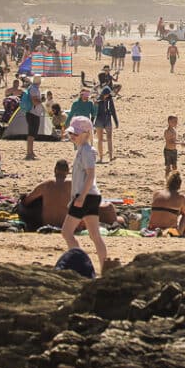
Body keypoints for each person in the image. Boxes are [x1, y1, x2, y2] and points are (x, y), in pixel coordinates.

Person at [61, 116, 107, 274]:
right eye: (71, 134)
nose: (72, 136)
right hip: (90, 195)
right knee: (95, 235)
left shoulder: (86, 150)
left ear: (86, 133)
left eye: (76, 134)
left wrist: (80, 197)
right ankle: (103, 269)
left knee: (66, 232)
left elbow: (90, 174)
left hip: (86, 196)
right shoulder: (83, 150)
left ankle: (81, 266)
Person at [19, 159, 72, 231]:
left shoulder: (46, 184)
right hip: (66, 225)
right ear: (68, 171)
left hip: (47, 224)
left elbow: (27, 201)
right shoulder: (72, 185)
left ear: (55, 170)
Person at [94, 86, 118, 163]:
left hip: (107, 119)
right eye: (106, 94)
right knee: (100, 139)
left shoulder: (110, 100)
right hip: (99, 120)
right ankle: (100, 157)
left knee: (109, 138)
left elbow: (113, 110)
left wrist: (116, 121)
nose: (107, 95)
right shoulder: (98, 100)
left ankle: (111, 156)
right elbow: (94, 112)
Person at [24, 75, 44, 161]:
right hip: (33, 113)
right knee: (31, 134)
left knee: (32, 134)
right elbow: (35, 102)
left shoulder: (31, 88)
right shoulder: (34, 89)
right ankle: (29, 153)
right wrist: (42, 100)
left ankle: (31, 152)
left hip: (32, 113)